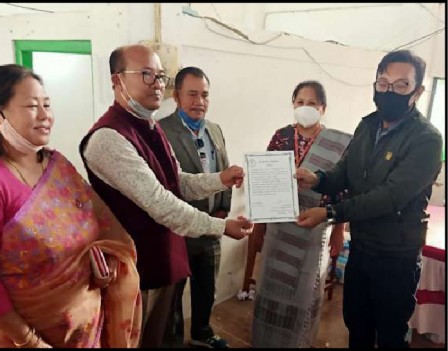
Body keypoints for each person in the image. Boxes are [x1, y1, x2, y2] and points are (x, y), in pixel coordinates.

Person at [0, 64, 142, 348]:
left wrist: (98, 261)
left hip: (82, 329)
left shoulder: (58, 166)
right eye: (31, 106)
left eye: (47, 104)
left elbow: (95, 230)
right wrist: (29, 341)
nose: (45, 116)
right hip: (15, 336)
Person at [79, 45, 252, 348]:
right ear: (116, 80)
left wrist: (219, 180)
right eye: (146, 74)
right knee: (141, 340)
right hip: (137, 270)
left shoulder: (149, 125)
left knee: (166, 336)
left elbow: (176, 182)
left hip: (166, 259)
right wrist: (222, 227)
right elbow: (161, 203)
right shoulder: (108, 138)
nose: (157, 83)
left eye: (160, 75)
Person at [294, 50, 443, 348]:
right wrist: (318, 178)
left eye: (401, 85)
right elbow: (345, 171)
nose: (390, 91)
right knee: (357, 323)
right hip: (362, 248)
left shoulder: (427, 139)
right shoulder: (368, 125)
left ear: (418, 91)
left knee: (390, 332)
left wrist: (330, 213)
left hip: (396, 255)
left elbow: (388, 197)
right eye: (383, 83)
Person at [244, 80, 353, 348]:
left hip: (314, 229)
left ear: (323, 108)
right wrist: (259, 228)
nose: (306, 107)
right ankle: (265, 340)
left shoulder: (340, 143)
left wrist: (338, 229)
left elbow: (343, 189)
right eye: (300, 102)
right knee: (272, 285)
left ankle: (297, 342)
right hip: (279, 227)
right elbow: (264, 185)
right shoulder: (281, 136)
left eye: (312, 103)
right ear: (293, 105)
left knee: (303, 291)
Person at [156, 66, 231, 348]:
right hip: (179, 229)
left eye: (204, 95)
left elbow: (224, 172)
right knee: (173, 293)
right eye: (192, 94)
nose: (199, 101)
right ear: (177, 96)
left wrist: (223, 208)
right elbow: (165, 186)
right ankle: (173, 341)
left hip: (213, 226)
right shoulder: (161, 131)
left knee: (207, 288)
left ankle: (202, 332)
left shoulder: (215, 129)